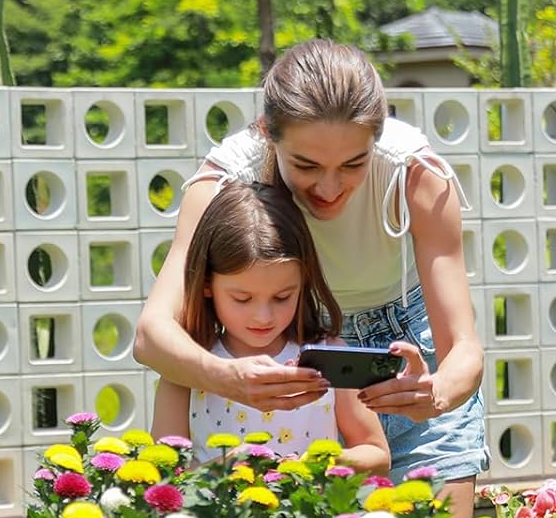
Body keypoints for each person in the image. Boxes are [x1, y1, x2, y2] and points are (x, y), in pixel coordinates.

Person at [134, 39, 486, 518]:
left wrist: (438, 392)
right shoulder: (226, 178)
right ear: (267, 134)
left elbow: (463, 346)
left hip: (406, 354)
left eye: (353, 165)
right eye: (305, 165)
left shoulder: (415, 173)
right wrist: (228, 377)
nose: (328, 187)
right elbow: (151, 335)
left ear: (376, 140)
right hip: (291, 353)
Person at [153, 179, 390, 475]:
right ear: (207, 285)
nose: (263, 317)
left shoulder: (329, 356)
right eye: (242, 298)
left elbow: (377, 455)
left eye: (282, 297)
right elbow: (163, 478)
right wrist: (228, 468)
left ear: (304, 282)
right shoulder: (184, 368)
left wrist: (315, 465)